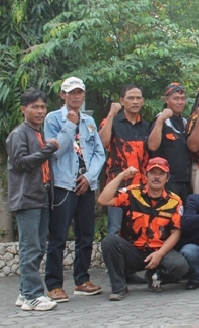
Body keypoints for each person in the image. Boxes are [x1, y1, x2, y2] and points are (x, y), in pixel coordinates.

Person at [43, 77, 106, 302]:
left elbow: (99, 153)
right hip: (63, 185)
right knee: (59, 237)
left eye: (79, 92)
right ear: (62, 95)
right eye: (71, 93)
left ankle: (82, 280)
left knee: (85, 235)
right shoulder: (52, 119)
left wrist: (89, 177)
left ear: (84, 95)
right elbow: (54, 152)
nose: (76, 96)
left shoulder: (89, 120)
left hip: (86, 185)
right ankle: (54, 285)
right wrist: (69, 124)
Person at [98, 159, 189, 300]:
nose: (157, 177)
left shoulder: (175, 201)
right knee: (109, 241)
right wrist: (122, 175)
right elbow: (103, 200)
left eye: (161, 173)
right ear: (145, 176)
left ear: (167, 178)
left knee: (180, 266)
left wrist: (159, 254)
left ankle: (154, 276)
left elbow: (176, 232)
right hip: (133, 251)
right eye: (153, 173)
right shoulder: (132, 193)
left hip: (158, 252)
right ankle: (119, 288)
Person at [8, 88, 59, 311]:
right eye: (34, 107)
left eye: (42, 107)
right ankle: (32, 295)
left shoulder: (38, 133)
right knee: (30, 248)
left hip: (41, 196)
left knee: (38, 248)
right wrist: (48, 149)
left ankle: (24, 292)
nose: (39, 111)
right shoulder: (19, 134)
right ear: (23, 109)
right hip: (27, 198)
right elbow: (20, 163)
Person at [99, 84, 150, 236]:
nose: (135, 101)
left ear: (143, 101)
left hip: (142, 187)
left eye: (138, 98)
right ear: (122, 101)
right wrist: (110, 115)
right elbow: (102, 142)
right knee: (115, 230)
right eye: (130, 98)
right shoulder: (112, 122)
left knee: (140, 230)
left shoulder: (147, 126)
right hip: (118, 186)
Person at [148, 82, 192, 202]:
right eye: (176, 98)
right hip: (167, 180)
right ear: (167, 99)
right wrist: (161, 119)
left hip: (186, 180)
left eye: (183, 99)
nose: (180, 102)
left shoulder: (185, 122)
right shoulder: (160, 120)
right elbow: (152, 146)